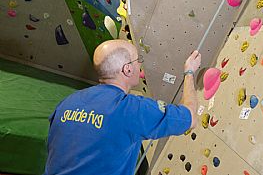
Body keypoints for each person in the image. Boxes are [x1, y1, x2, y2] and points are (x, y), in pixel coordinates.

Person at [44, 39, 200, 175]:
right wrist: (189, 72)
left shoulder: (68, 102)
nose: (140, 63)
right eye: (138, 59)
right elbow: (190, 117)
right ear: (128, 69)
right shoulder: (130, 109)